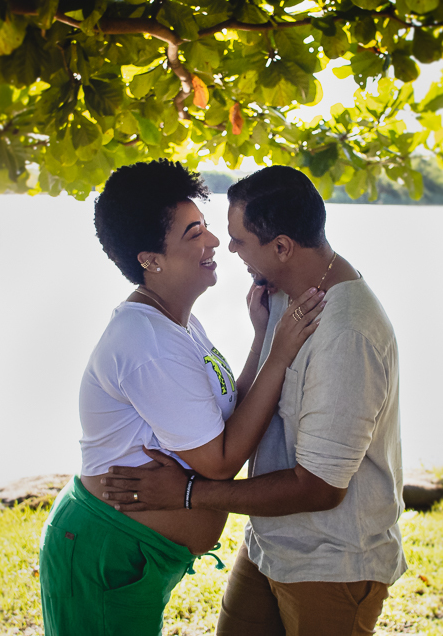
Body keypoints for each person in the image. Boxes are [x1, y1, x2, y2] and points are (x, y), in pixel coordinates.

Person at [100, 165, 407, 636]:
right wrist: (262, 335)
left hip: (331, 560)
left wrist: (187, 494)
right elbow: (254, 407)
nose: (228, 249)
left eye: (238, 240)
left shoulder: (346, 333)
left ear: (282, 246)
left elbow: (320, 488)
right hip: (270, 543)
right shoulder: (285, 295)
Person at [39, 160, 325, 636]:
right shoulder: (148, 342)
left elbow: (224, 417)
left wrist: (261, 340)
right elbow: (219, 460)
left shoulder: (179, 323)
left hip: (132, 553)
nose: (214, 241)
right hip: (105, 552)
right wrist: (279, 353)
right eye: (194, 233)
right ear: (151, 259)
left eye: (205, 226)